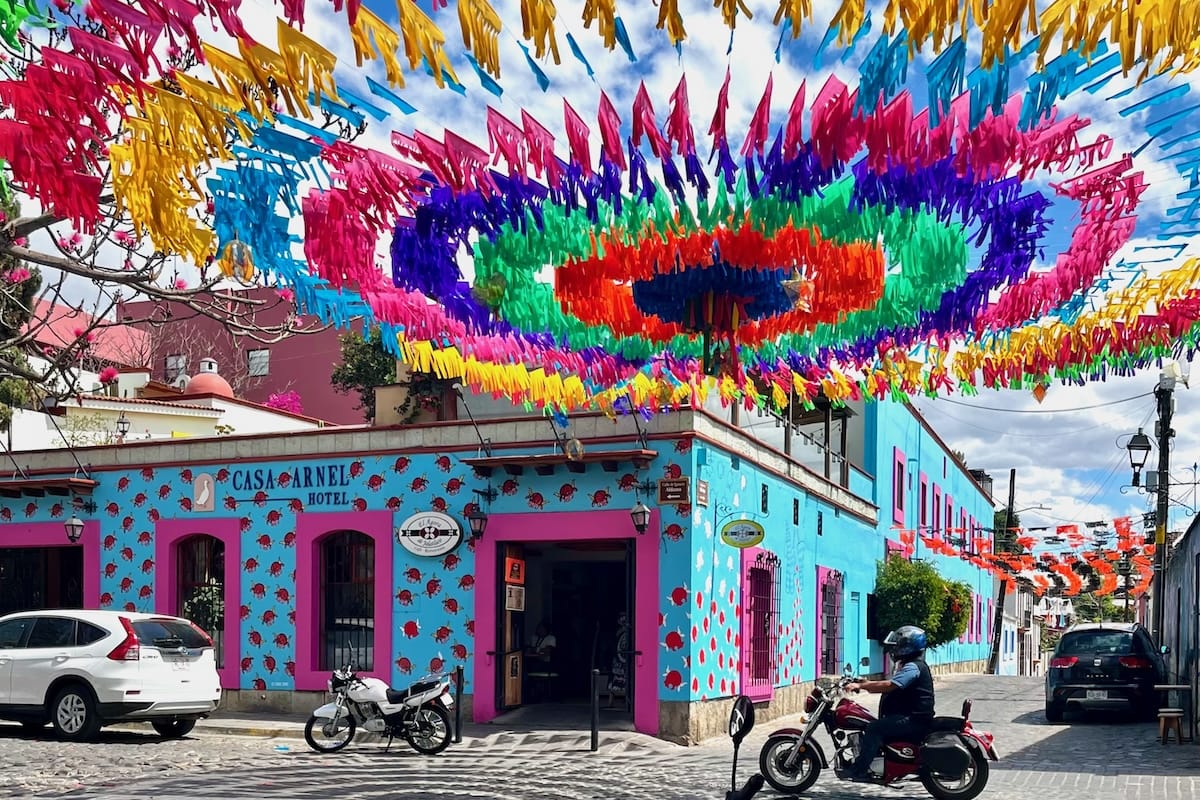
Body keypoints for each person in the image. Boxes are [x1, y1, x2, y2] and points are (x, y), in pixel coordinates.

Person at [843, 625, 935, 781]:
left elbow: (891, 685)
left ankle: (860, 770)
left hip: (913, 719)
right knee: (872, 724)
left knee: (874, 728)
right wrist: (866, 682)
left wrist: (861, 686)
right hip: (912, 717)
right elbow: (891, 683)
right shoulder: (911, 665)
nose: (895, 648)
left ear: (909, 646)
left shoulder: (913, 666)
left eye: (900, 644)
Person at [606, 612, 631, 707]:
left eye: (625, 617)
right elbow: (612, 644)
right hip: (617, 658)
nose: (623, 619)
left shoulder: (630, 631)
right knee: (614, 679)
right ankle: (610, 702)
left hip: (625, 659)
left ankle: (627, 702)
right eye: (621, 617)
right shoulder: (616, 631)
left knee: (627, 679)